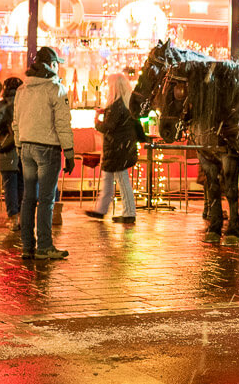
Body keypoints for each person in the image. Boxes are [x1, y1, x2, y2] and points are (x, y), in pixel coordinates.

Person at [13, 46, 75, 260]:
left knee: (29, 198)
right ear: (51, 65)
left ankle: (27, 246)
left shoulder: (23, 89)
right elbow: (63, 124)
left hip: (26, 147)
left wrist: (19, 145)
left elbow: (16, 122)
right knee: (46, 199)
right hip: (47, 149)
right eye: (57, 64)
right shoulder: (55, 89)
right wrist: (69, 151)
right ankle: (44, 246)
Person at [85, 73, 145, 224]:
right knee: (113, 179)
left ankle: (127, 212)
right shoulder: (125, 103)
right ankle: (103, 210)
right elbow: (120, 120)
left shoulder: (116, 105)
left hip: (116, 149)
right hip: (122, 148)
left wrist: (96, 122)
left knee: (119, 179)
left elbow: (109, 126)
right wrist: (105, 112)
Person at [0, 77, 23, 231]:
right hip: (24, 149)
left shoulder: (2, 104)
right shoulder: (26, 104)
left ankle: (13, 218)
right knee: (22, 185)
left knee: (10, 185)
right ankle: (23, 217)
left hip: (7, 150)